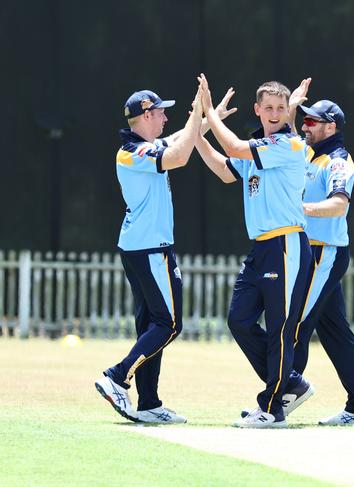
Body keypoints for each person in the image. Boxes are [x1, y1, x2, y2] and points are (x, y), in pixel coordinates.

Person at [194, 74, 312, 428]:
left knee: (279, 328)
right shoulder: (260, 149)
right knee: (239, 320)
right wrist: (197, 132)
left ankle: (273, 408)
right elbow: (226, 169)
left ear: (286, 112)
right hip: (261, 248)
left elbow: (232, 148)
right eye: (269, 107)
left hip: (287, 244)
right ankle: (289, 384)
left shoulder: (288, 147)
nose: (275, 113)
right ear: (258, 110)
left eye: (281, 108)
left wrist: (209, 113)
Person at [94, 84, 204, 424]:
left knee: (151, 327)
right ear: (146, 115)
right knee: (169, 325)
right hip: (150, 248)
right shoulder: (132, 152)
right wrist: (200, 113)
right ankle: (117, 376)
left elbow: (180, 140)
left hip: (140, 247)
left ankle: (149, 403)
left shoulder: (145, 146)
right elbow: (180, 155)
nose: (165, 118)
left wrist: (208, 118)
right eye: (160, 113)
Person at [282, 94, 354, 426]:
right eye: (305, 121)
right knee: (335, 331)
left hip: (326, 252)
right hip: (312, 251)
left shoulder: (338, 161)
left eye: (312, 122)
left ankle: (279, 399)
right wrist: (291, 106)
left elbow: (339, 205)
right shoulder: (310, 153)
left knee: (296, 325)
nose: (305, 127)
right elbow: (287, 131)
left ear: (331, 127)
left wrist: (301, 209)